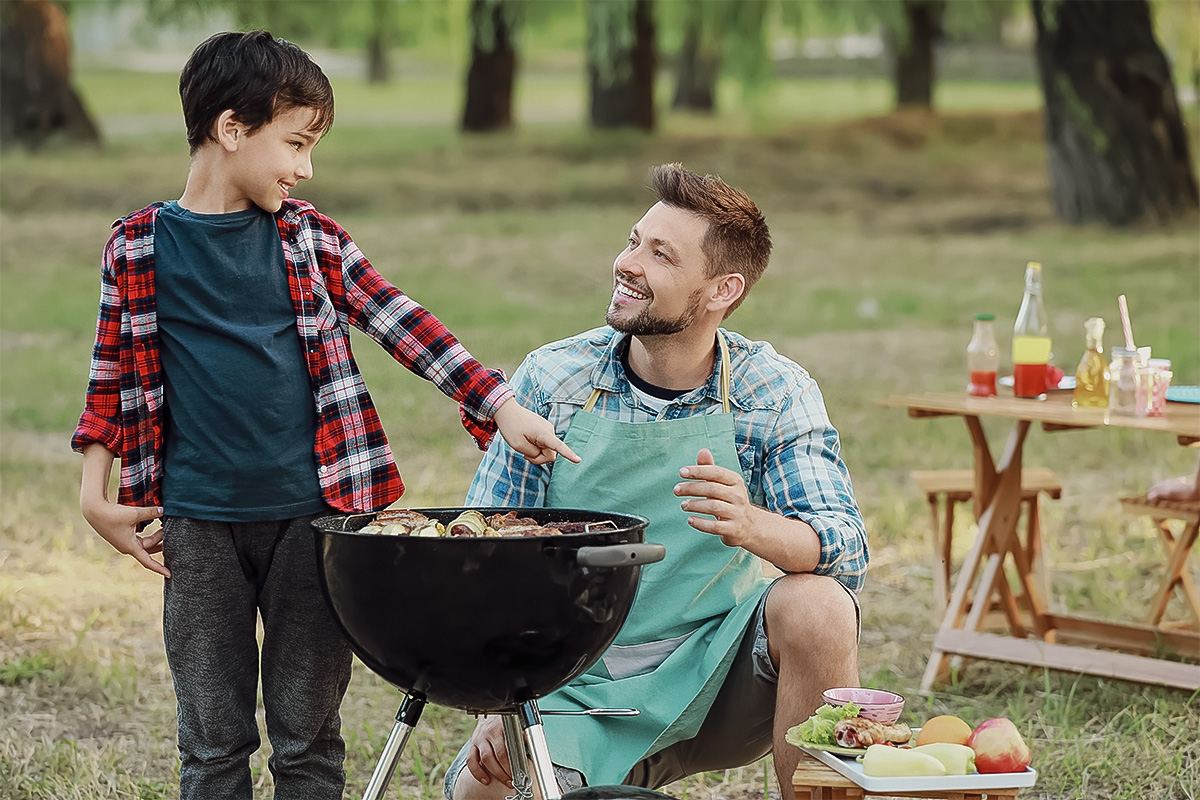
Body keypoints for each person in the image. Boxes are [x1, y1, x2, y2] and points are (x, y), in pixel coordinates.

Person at [71, 30, 576, 800]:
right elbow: (110, 374)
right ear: (231, 129)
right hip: (198, 527)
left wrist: (498, 402)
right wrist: (92, 493)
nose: (306, 168)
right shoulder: (137, 246)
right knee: (212, 741)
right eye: (295, 143)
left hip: (317, 525)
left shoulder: (309, 238)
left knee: (308, 735)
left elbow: (403, 322)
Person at [446, 164, 868, 800]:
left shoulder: (772, 392)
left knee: (819, 606)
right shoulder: (556, 378)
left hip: (719, 674)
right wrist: (498, 704)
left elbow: (846, 548)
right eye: (634, 240)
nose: (628, 262)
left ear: (722, 290)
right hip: (576, 682)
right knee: (479, 794)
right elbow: (478, 553)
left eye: (660, 254)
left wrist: (755, 525)